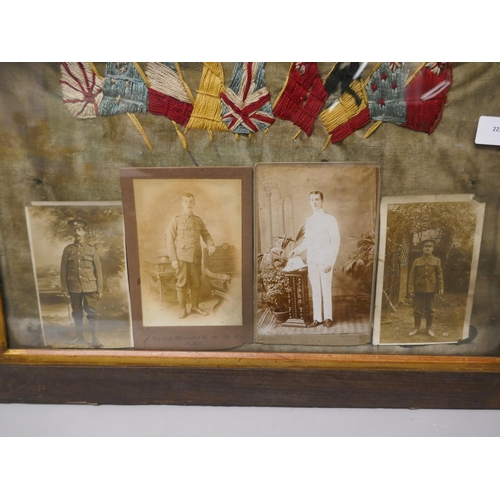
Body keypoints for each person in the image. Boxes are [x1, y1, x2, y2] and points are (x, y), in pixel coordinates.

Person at [289, 191, 341, 328]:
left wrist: (330, 262)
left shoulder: (330, 219)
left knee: (326, 287)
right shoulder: (309, 220)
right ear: (309, 202)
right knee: (315, 289)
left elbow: (335, 242)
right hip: (312, 259)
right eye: (311, 200)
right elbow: (307, 241)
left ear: (322, 201)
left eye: (317, 199)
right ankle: (317, 318)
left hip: (325, 260)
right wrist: (296, 250)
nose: (314, 202)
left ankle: (328, 317)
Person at [166, 193, 216, 318]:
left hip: (196, 257)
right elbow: (170, 240)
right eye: (186, 202)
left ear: (194, 204)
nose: (188, 204)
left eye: (190, 201)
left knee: (196, 283)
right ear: (182, 204)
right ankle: (182, 309)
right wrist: (173, 259)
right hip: (181, 257)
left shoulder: (198, 220)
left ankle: (194, 307)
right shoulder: (176, 220)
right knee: (181, 283)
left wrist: (211, 245)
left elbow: (206, 235)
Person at [60, 219, 103, 348]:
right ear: (72, 233)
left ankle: (95, 340)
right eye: (75, 230)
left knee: (92, 313)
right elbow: (63, 271)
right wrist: (64, 288)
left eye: (79, 230)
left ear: (84, 232)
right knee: (77, 312)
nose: (77, 232)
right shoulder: (68, 250)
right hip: (74, 287)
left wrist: (99, 289)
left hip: (90, 287)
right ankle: (79, 337)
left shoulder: (92, 249)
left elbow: (98, 271)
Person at [408, 239, 444, 337]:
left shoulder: (437, 260)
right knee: (417, 308)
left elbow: (439, 275)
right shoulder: (417, 261)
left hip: (431, 288)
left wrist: (440, 287)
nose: (427, 248)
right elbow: (412, 275)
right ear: (423, 248)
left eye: (430, 247)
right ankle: (416, 328)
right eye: (425, 247)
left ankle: (428, 329)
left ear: (432, 248)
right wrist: (411, 289)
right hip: (419, 287)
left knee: (431, 309)